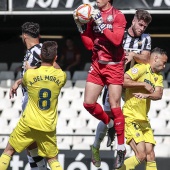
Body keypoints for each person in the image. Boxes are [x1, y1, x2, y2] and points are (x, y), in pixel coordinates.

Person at [90, 9, 152, 168]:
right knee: (108, 115)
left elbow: (147, 58)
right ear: (133, 21)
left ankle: (124, 151)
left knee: (132, 116)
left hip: (132, 84)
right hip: (114, 81)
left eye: (145, 26)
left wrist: (133, 55)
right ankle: (96, 146)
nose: (142, 29)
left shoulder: (145, 38)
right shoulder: (120, 35)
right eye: (140, 24)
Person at [73, 0, 127, 169]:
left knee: (115, 106)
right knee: (88, 103)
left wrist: (100, 23)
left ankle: (120, 148)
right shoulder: (92, 14)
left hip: (114, 65)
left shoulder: (118, 16)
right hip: (97, 64)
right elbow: (89, 45)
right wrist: (81, 27)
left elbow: (117, 41)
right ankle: (110, 124)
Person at [0, 41, 66, 170]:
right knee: (53, 160)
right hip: (47, 126)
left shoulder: (29, 74)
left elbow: (25, 82)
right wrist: (52, 61)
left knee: (7, 152)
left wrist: (21, 78)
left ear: (40, 57)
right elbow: (57, 69)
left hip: (28, 123)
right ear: (56, 58)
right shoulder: (61, 76)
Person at [9, 22, 60, 170]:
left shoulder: (39, 50)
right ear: (38, 35)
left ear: (24, 36)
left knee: (30, 142)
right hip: (32, 98)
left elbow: (56, 69)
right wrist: (19, 81)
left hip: (33, 100)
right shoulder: (34, 50)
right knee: (31, 144)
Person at [117, 47, 168, 170]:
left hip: (144, 120)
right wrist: (143, 84)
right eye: (164, 62)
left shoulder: (158, 76)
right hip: (131, 117)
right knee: (141, 155)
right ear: (155, 58)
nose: (165, 66)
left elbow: (159, 94)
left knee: (150, 155)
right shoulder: (141, 68)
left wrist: (147, 95)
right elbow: (122, 81)